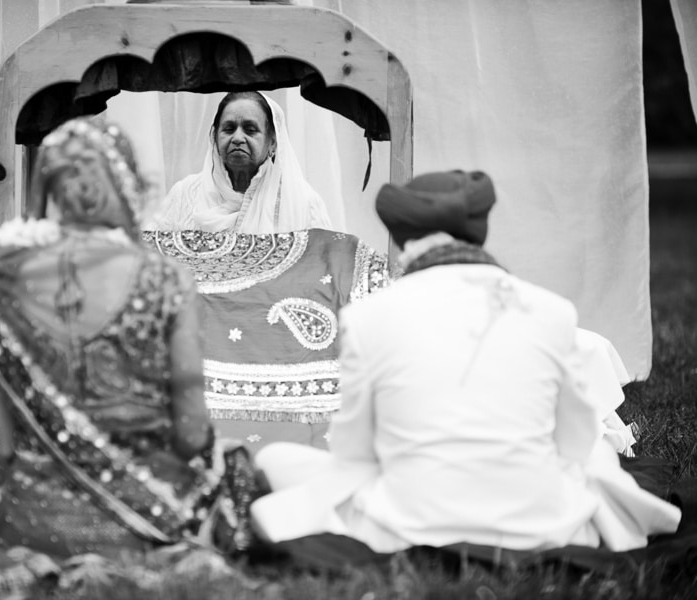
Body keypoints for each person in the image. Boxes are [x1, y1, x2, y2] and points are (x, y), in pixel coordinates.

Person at [0, 118, 262, 561]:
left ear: (50, 189)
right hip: (146, 525)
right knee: (236, 463)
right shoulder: (167, 282)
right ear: (127, 187)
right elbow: (192, 433)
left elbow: (6, 447)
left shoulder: (3, 282)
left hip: (29, 521)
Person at [250, 170, 681, 560]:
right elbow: (576, 440)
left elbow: (353, 451)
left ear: (405, 240)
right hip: (537, 518)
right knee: (595, 454)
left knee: (275, 459)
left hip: (409, 518)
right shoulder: (552, 311)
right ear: (479, 232)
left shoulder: (367, 317)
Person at [148, 91, 332, 233]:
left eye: (250, 130)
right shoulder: (184, 194)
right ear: (214, 137)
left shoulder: (303, 202)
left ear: (273, 143)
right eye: (229, 129)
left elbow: (324, 264)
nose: (237, 138)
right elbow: (150, 256)